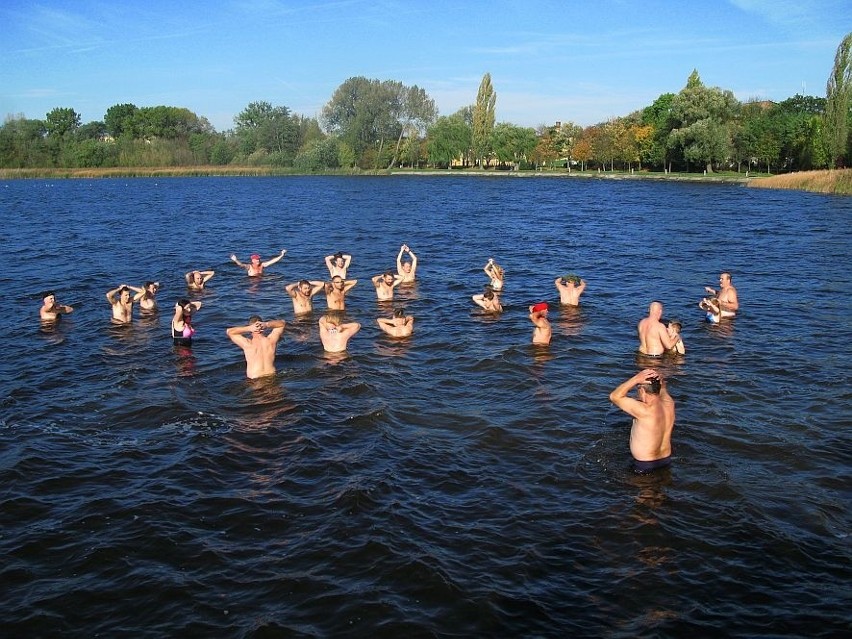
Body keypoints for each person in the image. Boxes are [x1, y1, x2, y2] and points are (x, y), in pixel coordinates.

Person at [608, 369, 676, 474]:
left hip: (645, 465)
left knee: (642, 489)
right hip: (665, 460)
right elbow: (662, 388)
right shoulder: (669, 403)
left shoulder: (644, 410)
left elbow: (614, 396)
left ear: (642, 390)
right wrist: (657, 378)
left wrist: (636, 379)